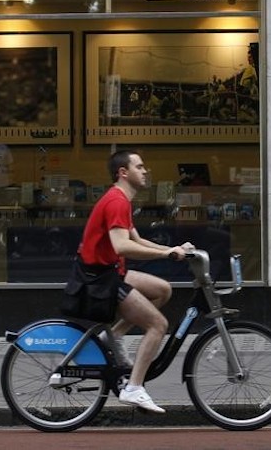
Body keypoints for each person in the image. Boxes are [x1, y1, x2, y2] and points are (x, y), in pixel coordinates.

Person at [77, 149, 194, 414]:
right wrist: (165, 253)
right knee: (158, 325)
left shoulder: (121, 200)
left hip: (109, 272)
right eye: (139, 166)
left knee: (162, 290)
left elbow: (137, 241)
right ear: (123, 172)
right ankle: (134, 387)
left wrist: (172, 249)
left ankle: (113, 337)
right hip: (101, 278)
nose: (145, 171)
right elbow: (121, 246)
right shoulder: (116, 202)